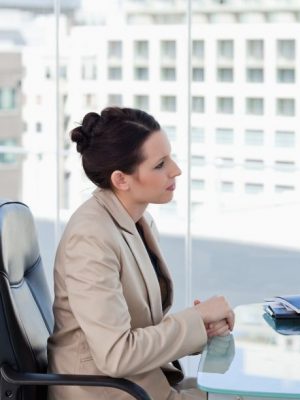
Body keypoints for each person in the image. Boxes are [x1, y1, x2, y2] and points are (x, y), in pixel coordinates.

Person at [47, 107, 235, 400]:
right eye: (160, 164)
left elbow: (138, 326)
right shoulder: (91, 237)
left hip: (142, 382)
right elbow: (116, 355)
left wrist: (202, 328)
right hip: (109, 391)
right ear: (121, 179)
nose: (176, 170)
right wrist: (195, 318)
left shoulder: (137, 221)